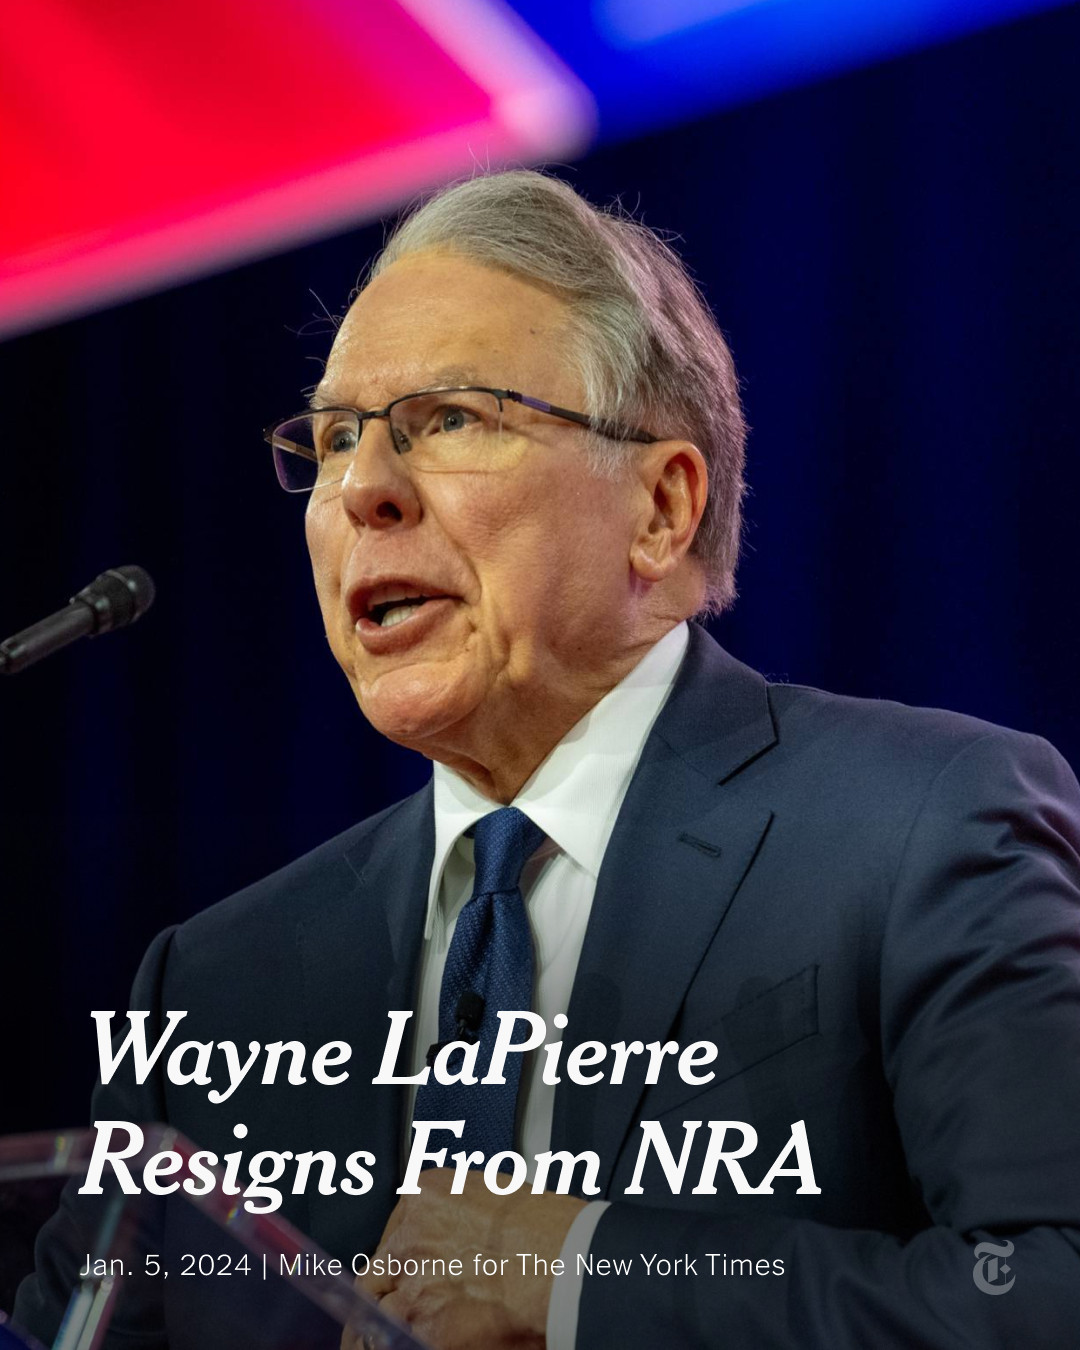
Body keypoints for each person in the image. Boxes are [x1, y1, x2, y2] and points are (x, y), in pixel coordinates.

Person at [16, 170, 1080, 1349]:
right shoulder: (216, 985)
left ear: (662, 509)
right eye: (331, 441)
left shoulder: (920, 827)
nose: (362, 488)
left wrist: (576, 1274)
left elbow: (1049, 1286)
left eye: (451, 419)